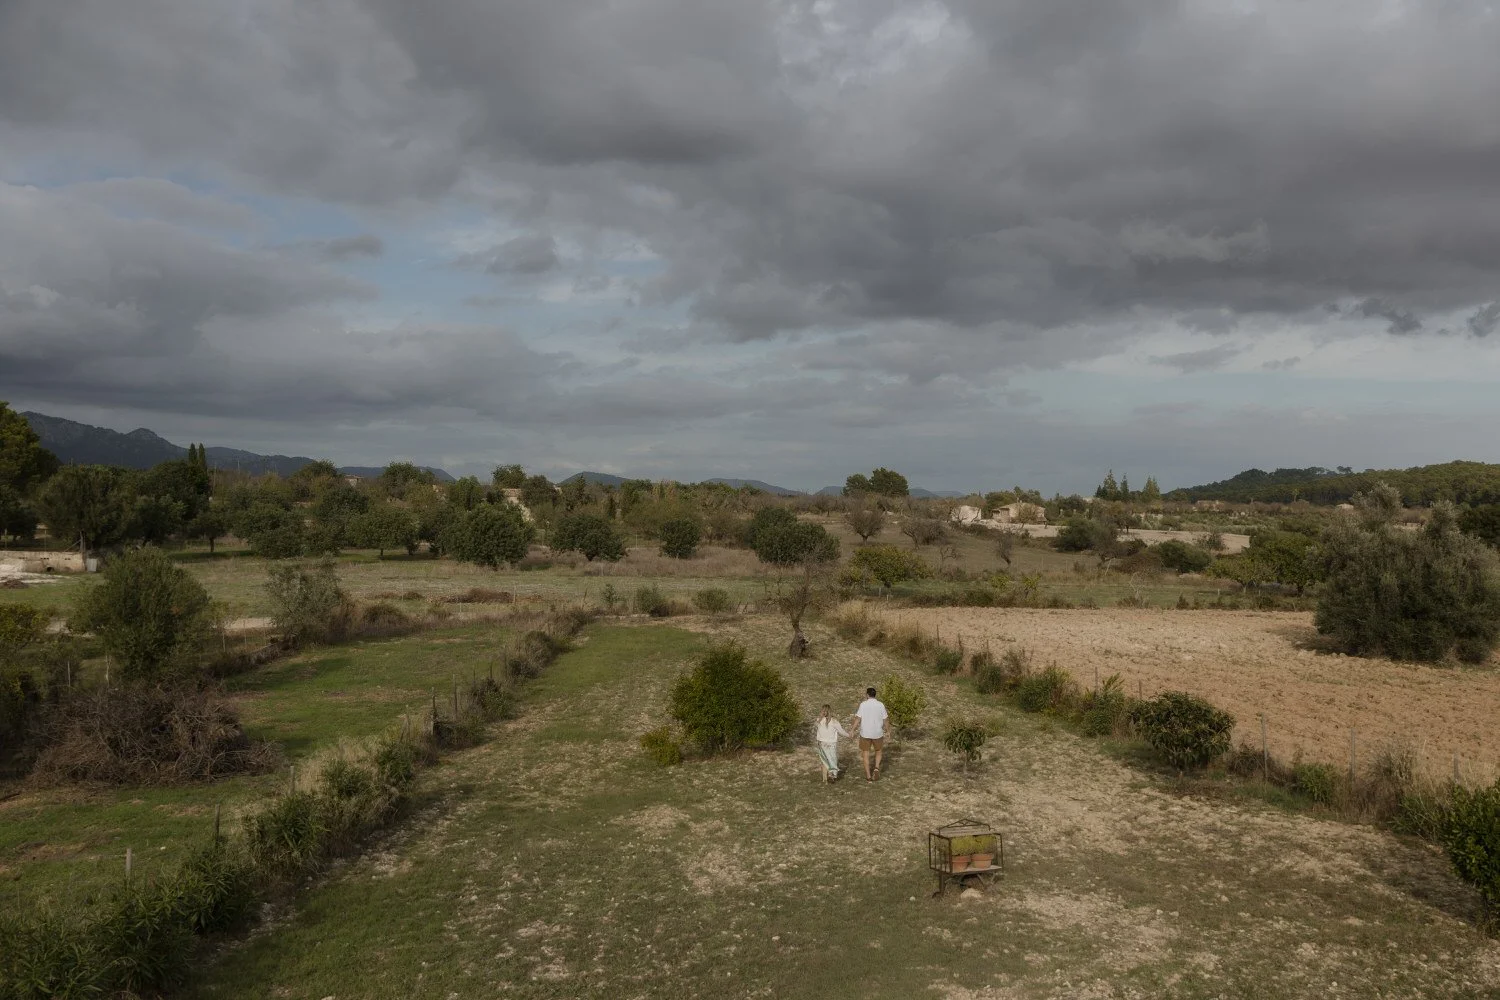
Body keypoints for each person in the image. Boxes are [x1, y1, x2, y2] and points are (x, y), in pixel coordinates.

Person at [851, 687, 889, 782]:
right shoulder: (881, 705)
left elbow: (858, 719)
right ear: (875, 695)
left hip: (865, 733)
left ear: (867, 695)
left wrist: (852, 730)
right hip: (877, 733)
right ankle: (876, 768)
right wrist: (888, 731)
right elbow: (885, 719)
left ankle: (868, 777)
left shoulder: (863, 705)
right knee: (878, 751)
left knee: (865, 754)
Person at [814, 704, 851, 782]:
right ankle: (832, 774)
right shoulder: (834, 721)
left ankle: (824, 779)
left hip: (821, 743)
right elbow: (841, 731)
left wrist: (820, 717)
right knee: (832, 760)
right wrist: (849, 735)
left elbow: (816, 726)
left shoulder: (819, 720)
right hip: (831, 744)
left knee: (824, 761)